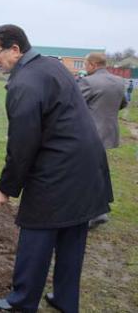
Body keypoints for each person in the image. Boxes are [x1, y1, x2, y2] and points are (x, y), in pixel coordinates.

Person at [0, 25, 112, 313]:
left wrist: (5, 188)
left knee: (36, 233)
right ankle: (65, 301)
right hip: (87, 164)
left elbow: (22, 144)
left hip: (60, 168)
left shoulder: (24, 83)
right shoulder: (50, 66)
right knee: (71, 236)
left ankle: (21, 302)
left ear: (15, 49)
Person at [78, 52, 127, 229]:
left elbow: (73, 103)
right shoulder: (119, 81)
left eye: (85, 64)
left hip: (89, 134)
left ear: (92, 64)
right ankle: (98, 211)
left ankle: (95, 212)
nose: (85, 67)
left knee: (86, 172)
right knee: (97, 170)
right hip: (109, 133)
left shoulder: (88, 82)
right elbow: (123, 104)